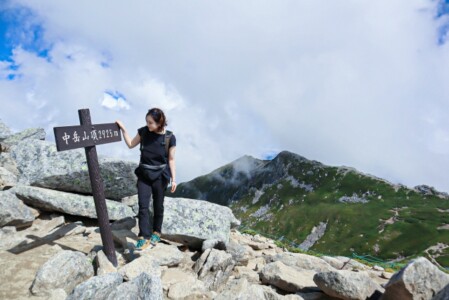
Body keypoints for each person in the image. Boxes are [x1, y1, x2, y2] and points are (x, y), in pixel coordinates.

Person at [116, 108, 177, 250]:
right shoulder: (143, 132)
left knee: (158, 205)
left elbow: (172, 159)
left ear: (159, 123)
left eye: (150, 122)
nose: (148, 125)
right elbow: (131, 144)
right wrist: (123, 129)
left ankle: (157, 231)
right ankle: (143, 236)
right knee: (143, 205)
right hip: (144, 174)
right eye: (147, 122)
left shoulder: (169, 138)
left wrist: (174, 179)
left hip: (161, 176)